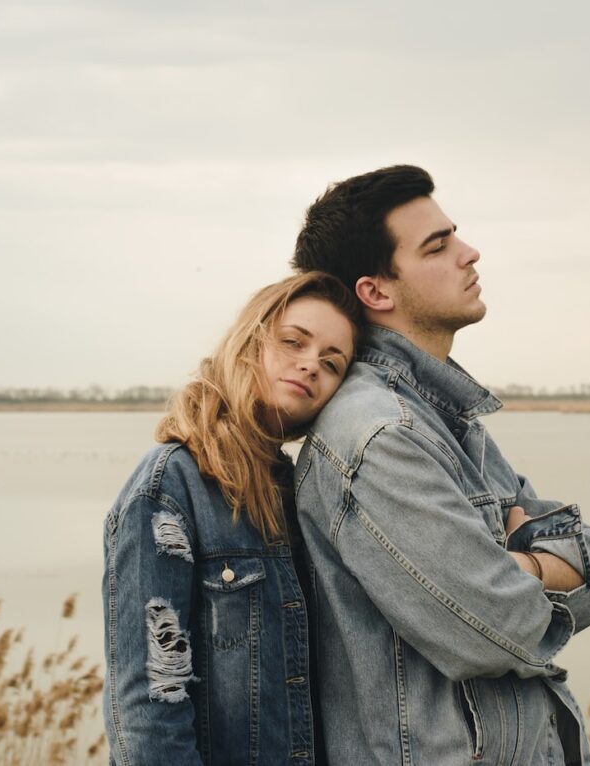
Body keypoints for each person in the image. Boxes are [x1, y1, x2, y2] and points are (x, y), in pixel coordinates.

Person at [291, 165, 590, 765]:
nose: (470, 253)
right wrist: (537, 564)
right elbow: (497, 626)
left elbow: (589, 568)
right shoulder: (379, 437)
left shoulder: (451, 422)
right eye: (438, 246)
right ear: (376, 291)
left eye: (454, 235)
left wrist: (515, 566)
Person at [102, 271, 362, 765]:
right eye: (293, 343)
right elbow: (148, 708)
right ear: (249, 342)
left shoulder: (299, 491)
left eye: (332, 364)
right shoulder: (169, 486)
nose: (310, 366)